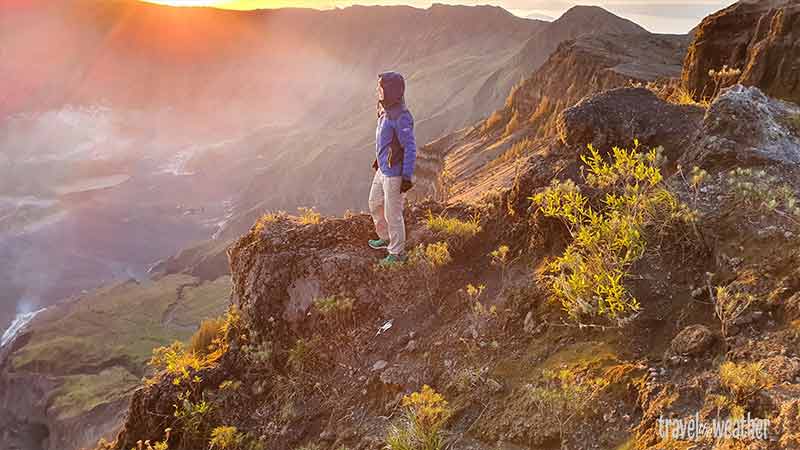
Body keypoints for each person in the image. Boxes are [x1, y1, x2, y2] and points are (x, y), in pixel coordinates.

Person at [368, 72, 417, 266]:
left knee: (392, 213)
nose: (378, 91)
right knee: (374, 203)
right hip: (383, 168)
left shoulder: (401, 117)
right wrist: (378, 160)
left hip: (395, 173)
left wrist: (406, 176)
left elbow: (410, 147)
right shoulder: (385, 110)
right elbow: (386, 140)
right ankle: (386, 237)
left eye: (381, 88)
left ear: (391, 91)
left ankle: (397, 254)